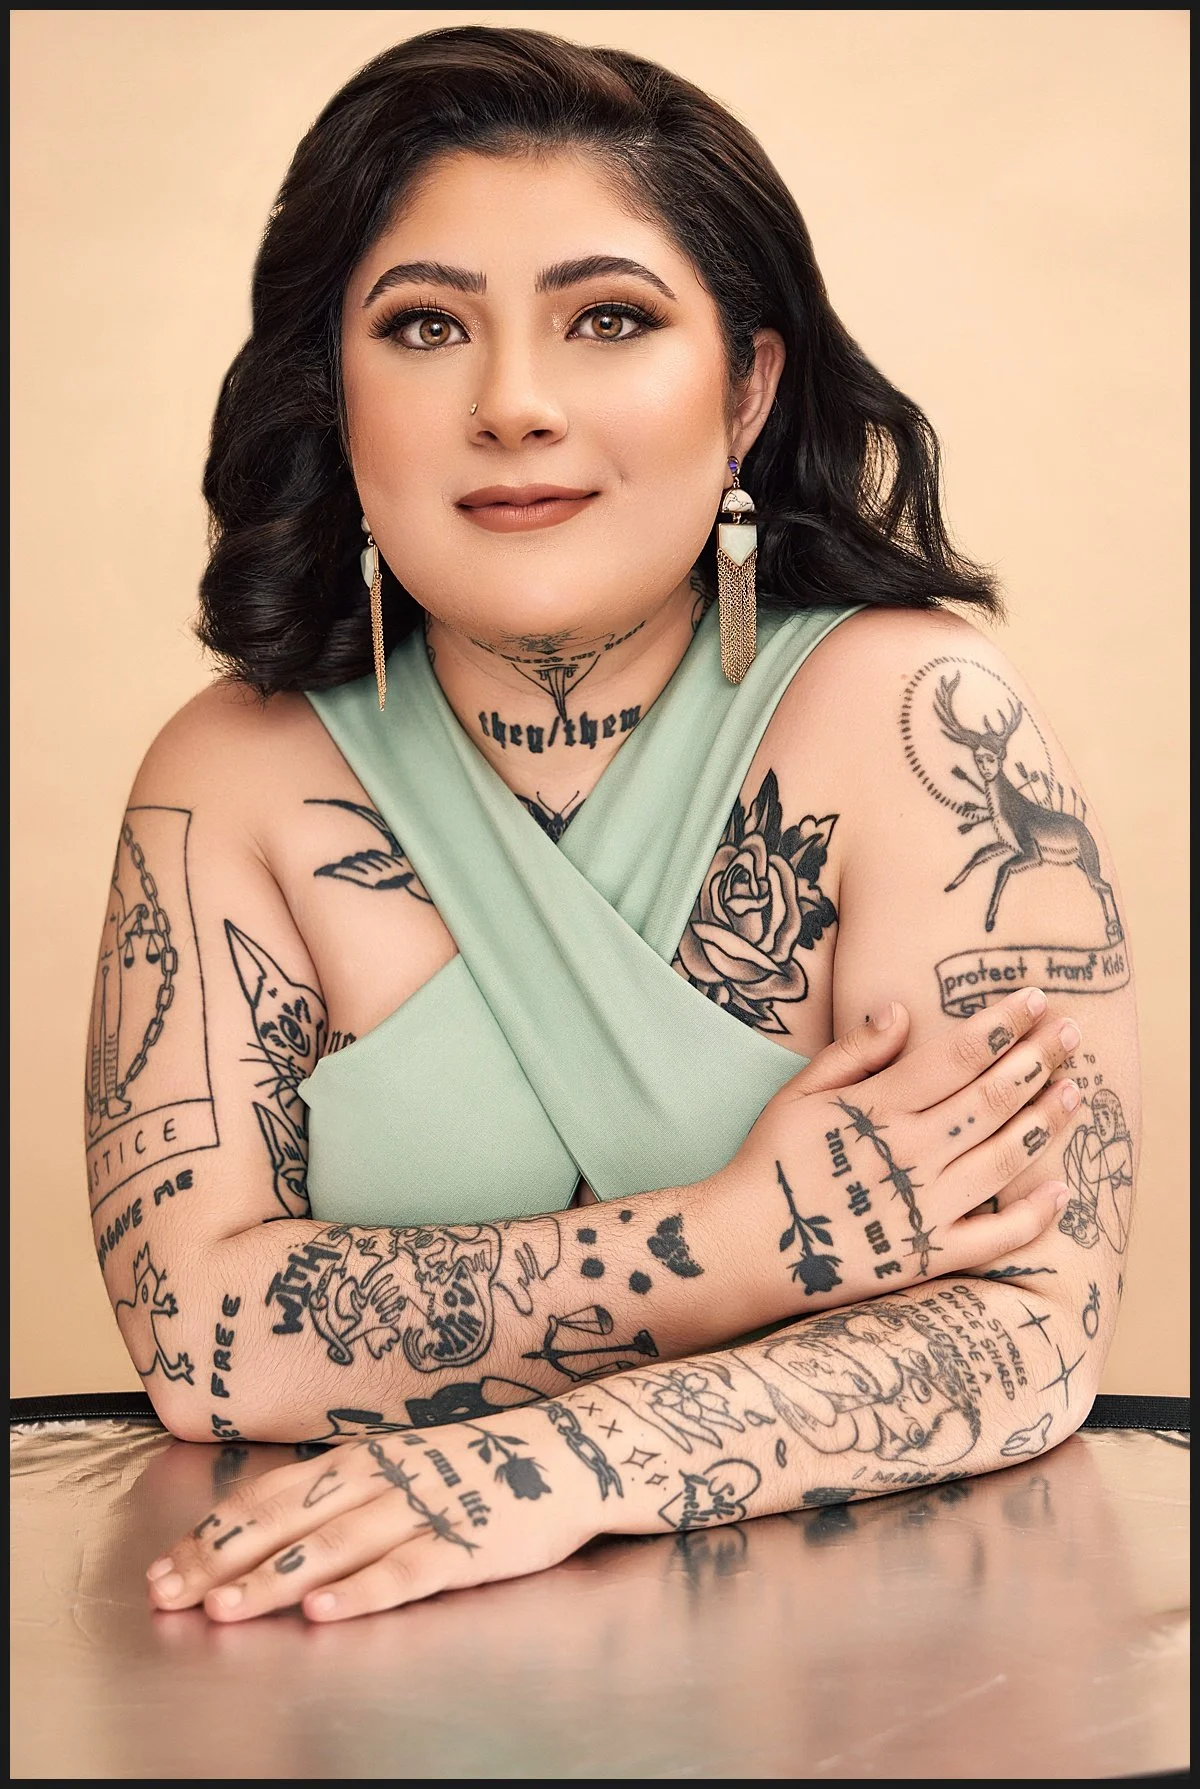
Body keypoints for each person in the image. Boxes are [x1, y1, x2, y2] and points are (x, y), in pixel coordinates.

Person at [84, 24, 1139, 1624]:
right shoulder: (227, 774)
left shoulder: (920, 721)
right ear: (335, 390)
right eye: (426, 325)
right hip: (350, 1674)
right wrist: (741, 1242)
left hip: (861, 1676)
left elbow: (1031, 1322)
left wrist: (550, 1467)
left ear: (748, 391)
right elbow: (199, 1337)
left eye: (609, 320)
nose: (514, 404)